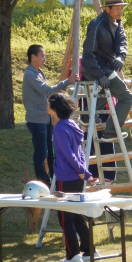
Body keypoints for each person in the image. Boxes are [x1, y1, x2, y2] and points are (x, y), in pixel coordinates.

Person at [47, 92, 100, 262]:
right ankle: (89, 251)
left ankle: (73, 255)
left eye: (49, 103)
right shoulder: (71, 125)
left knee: (65, 218)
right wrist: (82, 171)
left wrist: (82, 171)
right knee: (76, 215)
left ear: (55, 108)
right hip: (76, 178)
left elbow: (69, 154)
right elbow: (79, 153)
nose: (46, 105)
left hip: (66, 178)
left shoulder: (60, 128)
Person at [22, 44, 79, 188]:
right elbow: (47, 91)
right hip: (36, 119)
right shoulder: (29, 74)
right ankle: (44, 182)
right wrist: (67, 81)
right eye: (42, 56)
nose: (44, 59)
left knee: (51, 151)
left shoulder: (38, 72)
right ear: (33, 57)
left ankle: (55, 178)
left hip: (45, 118)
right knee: (41, 153)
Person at [81, 0, 132, 141]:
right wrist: (100, 74)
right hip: (94, 67)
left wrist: (121, 57)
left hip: (106, 67)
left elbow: (122, 43)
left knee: (109, 89)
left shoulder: (118, 24)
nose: (120, 12)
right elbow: (88, 55)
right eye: (117, 8)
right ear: (107, 9)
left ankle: (86, 114)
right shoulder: (96, 25)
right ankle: (111, 131)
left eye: (122, 8)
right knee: (126, 97)